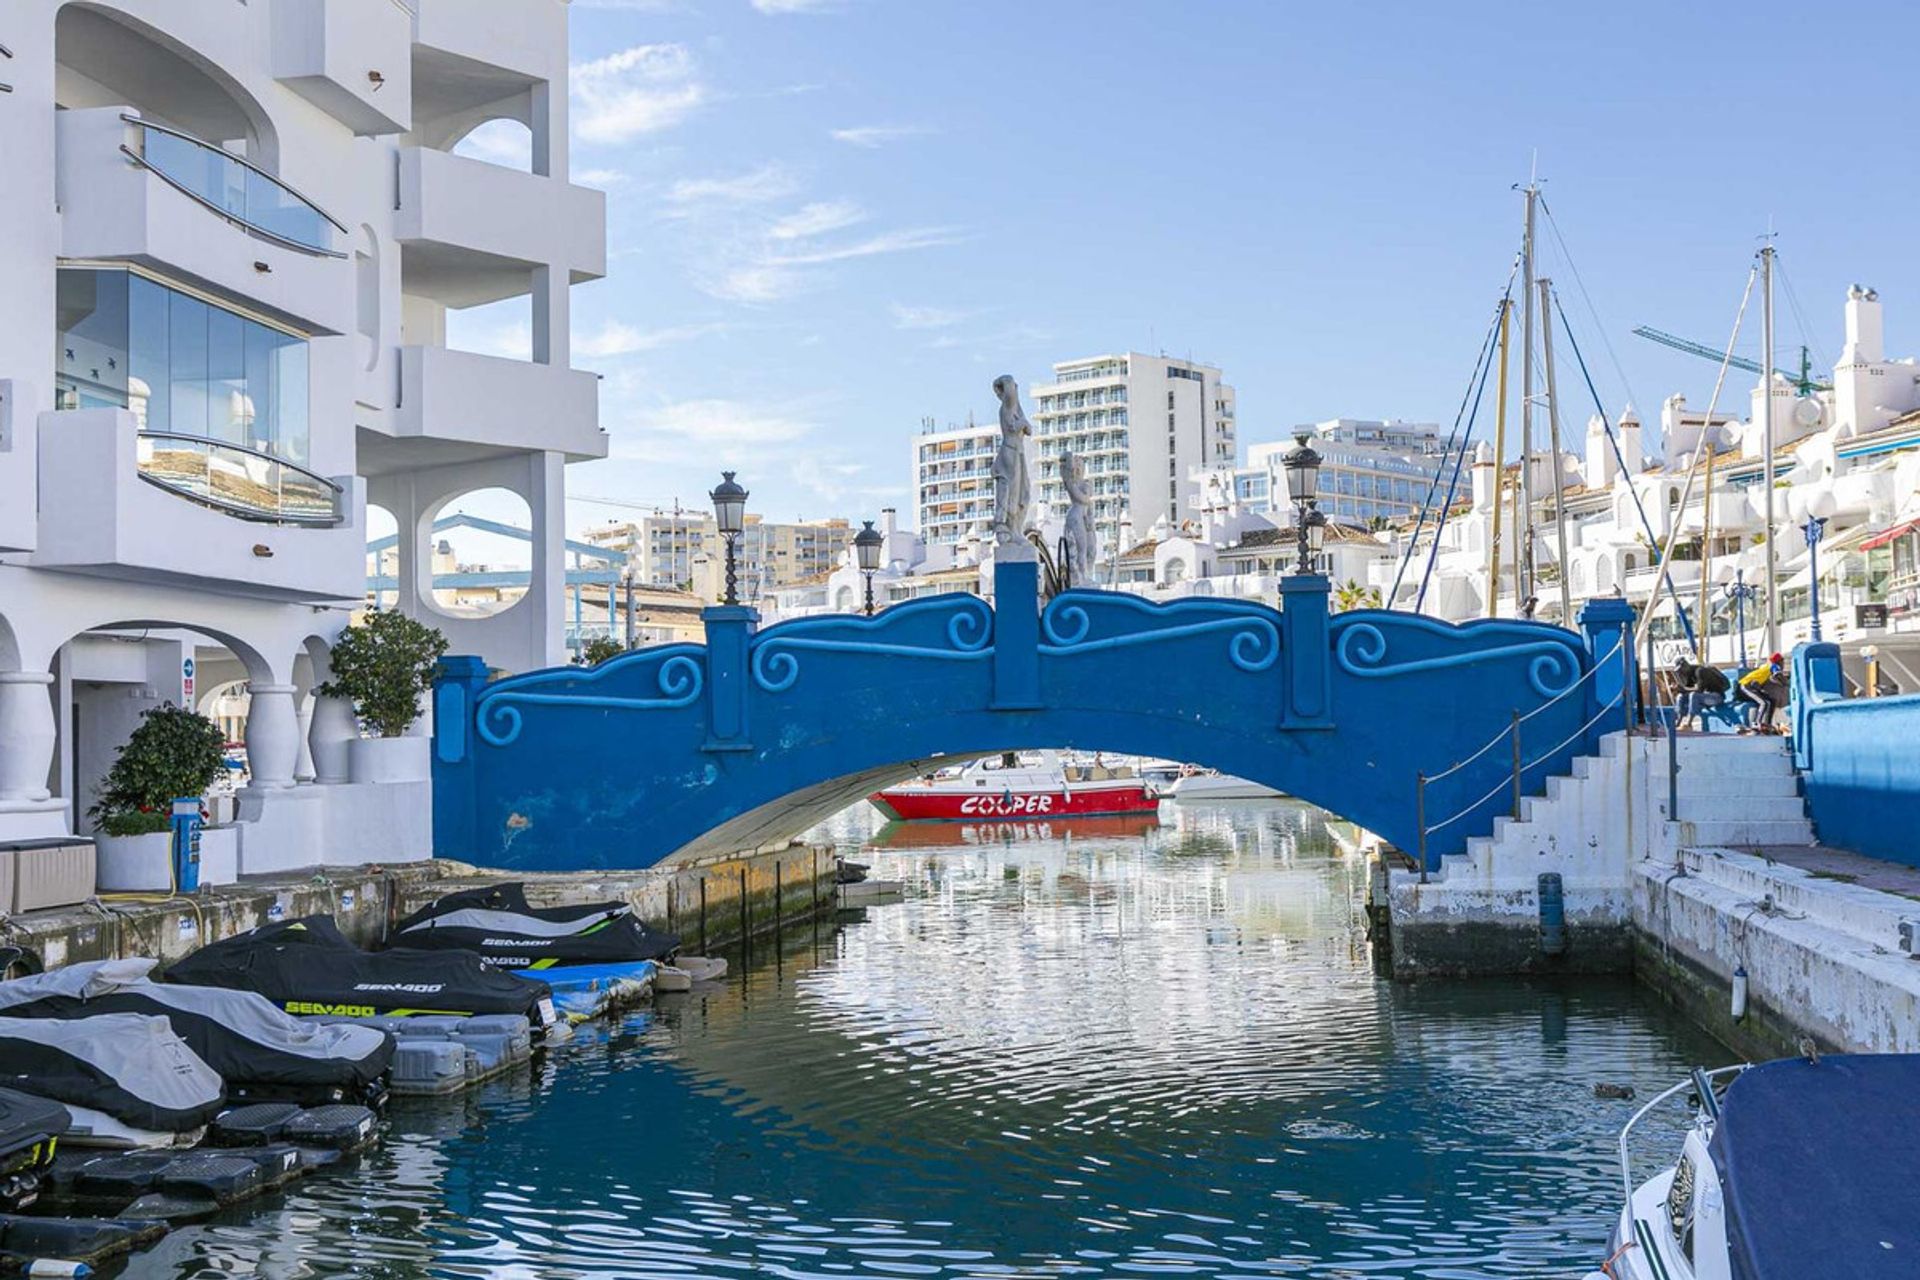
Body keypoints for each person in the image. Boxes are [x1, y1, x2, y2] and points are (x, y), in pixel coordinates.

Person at [1673, 658, 1731, 730]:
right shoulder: (1688, 674)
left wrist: (1684, 689)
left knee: (1694, 695)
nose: (1680, 672)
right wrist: (1680, 690)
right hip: (1704, 697)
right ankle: (1678, 721)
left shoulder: (1700, 671)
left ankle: (1689, 724)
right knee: (1680, 696)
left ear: (1686, 665)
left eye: (1681, 669)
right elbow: (1688, 689)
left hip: (1716, 697)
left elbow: (1699, 690)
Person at [1737, 653, 1788, 733]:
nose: (1783, 664)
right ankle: (1757, 724)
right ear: (1779, 661)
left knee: (1772, 701)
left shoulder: (1766, 667)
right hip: (1746, 686)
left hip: (1752, 686)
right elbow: (1778, 676)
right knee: (1764, 703)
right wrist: (1787, 683)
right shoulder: (1774, 666)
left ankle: (1767, 723)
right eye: (1782, 661)